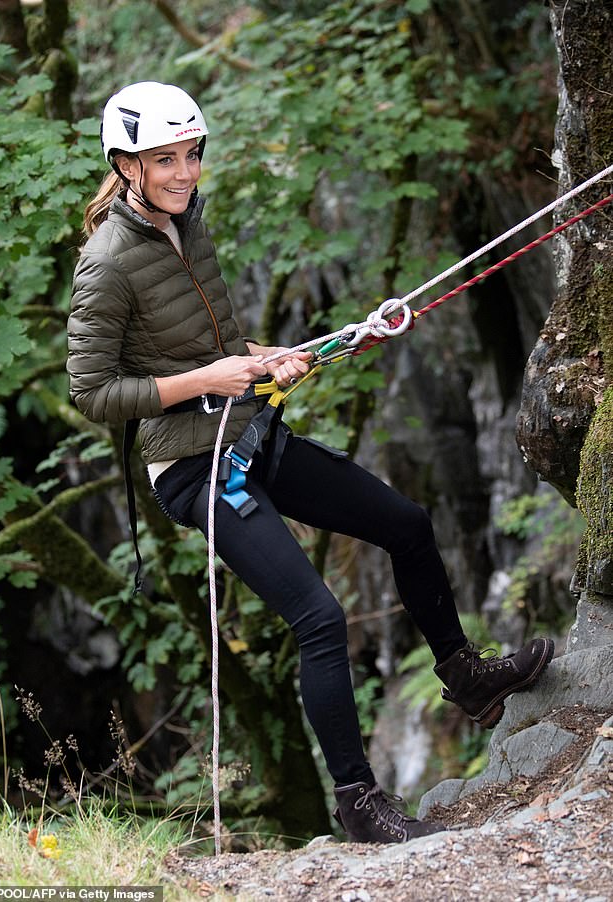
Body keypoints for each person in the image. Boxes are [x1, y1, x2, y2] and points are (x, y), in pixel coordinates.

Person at [67, 81, 554, 844]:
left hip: (252, 436)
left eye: (191, 154)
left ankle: (464, 676)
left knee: (406, 522)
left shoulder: (188, 226)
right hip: (193, 471)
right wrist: (214, 380)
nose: (184, 172)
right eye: (164, 159)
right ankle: (358, 802)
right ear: (125, 164)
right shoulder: (105, 262)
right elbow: (92, 393)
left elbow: (218, 343)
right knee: (320, 618)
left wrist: (272, 358)